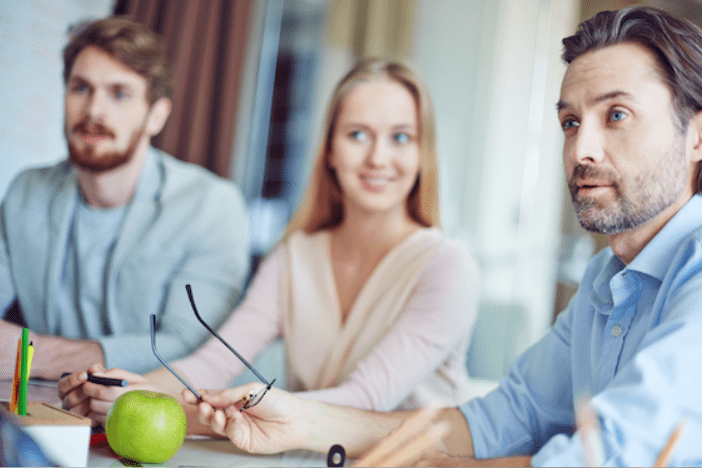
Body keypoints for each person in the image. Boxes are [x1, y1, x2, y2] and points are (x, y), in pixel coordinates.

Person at [180, 6, 702, 467]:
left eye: (616, 116)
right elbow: (502, 418)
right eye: (571, 122)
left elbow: (614, 455)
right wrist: (302, 420)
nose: (582, 151)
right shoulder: (607, 281)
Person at [59, 59, 480, 432]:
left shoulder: (447, 268)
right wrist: (130, 391)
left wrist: (207, 411)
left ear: (424, 153)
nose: (378, 158)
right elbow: (216, 362)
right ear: (330, 149)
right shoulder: (294, 256)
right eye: (357, 134)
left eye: (401, 138)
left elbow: (365, 399)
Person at [0, 17, 249, 380]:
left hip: (158, 425)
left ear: (156, 115)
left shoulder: (211, 206)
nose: (94, 111)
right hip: (45, 412)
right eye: (81, 88)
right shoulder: (27, 192)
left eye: (119, 94)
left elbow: (191, 347)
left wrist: (37, 357)